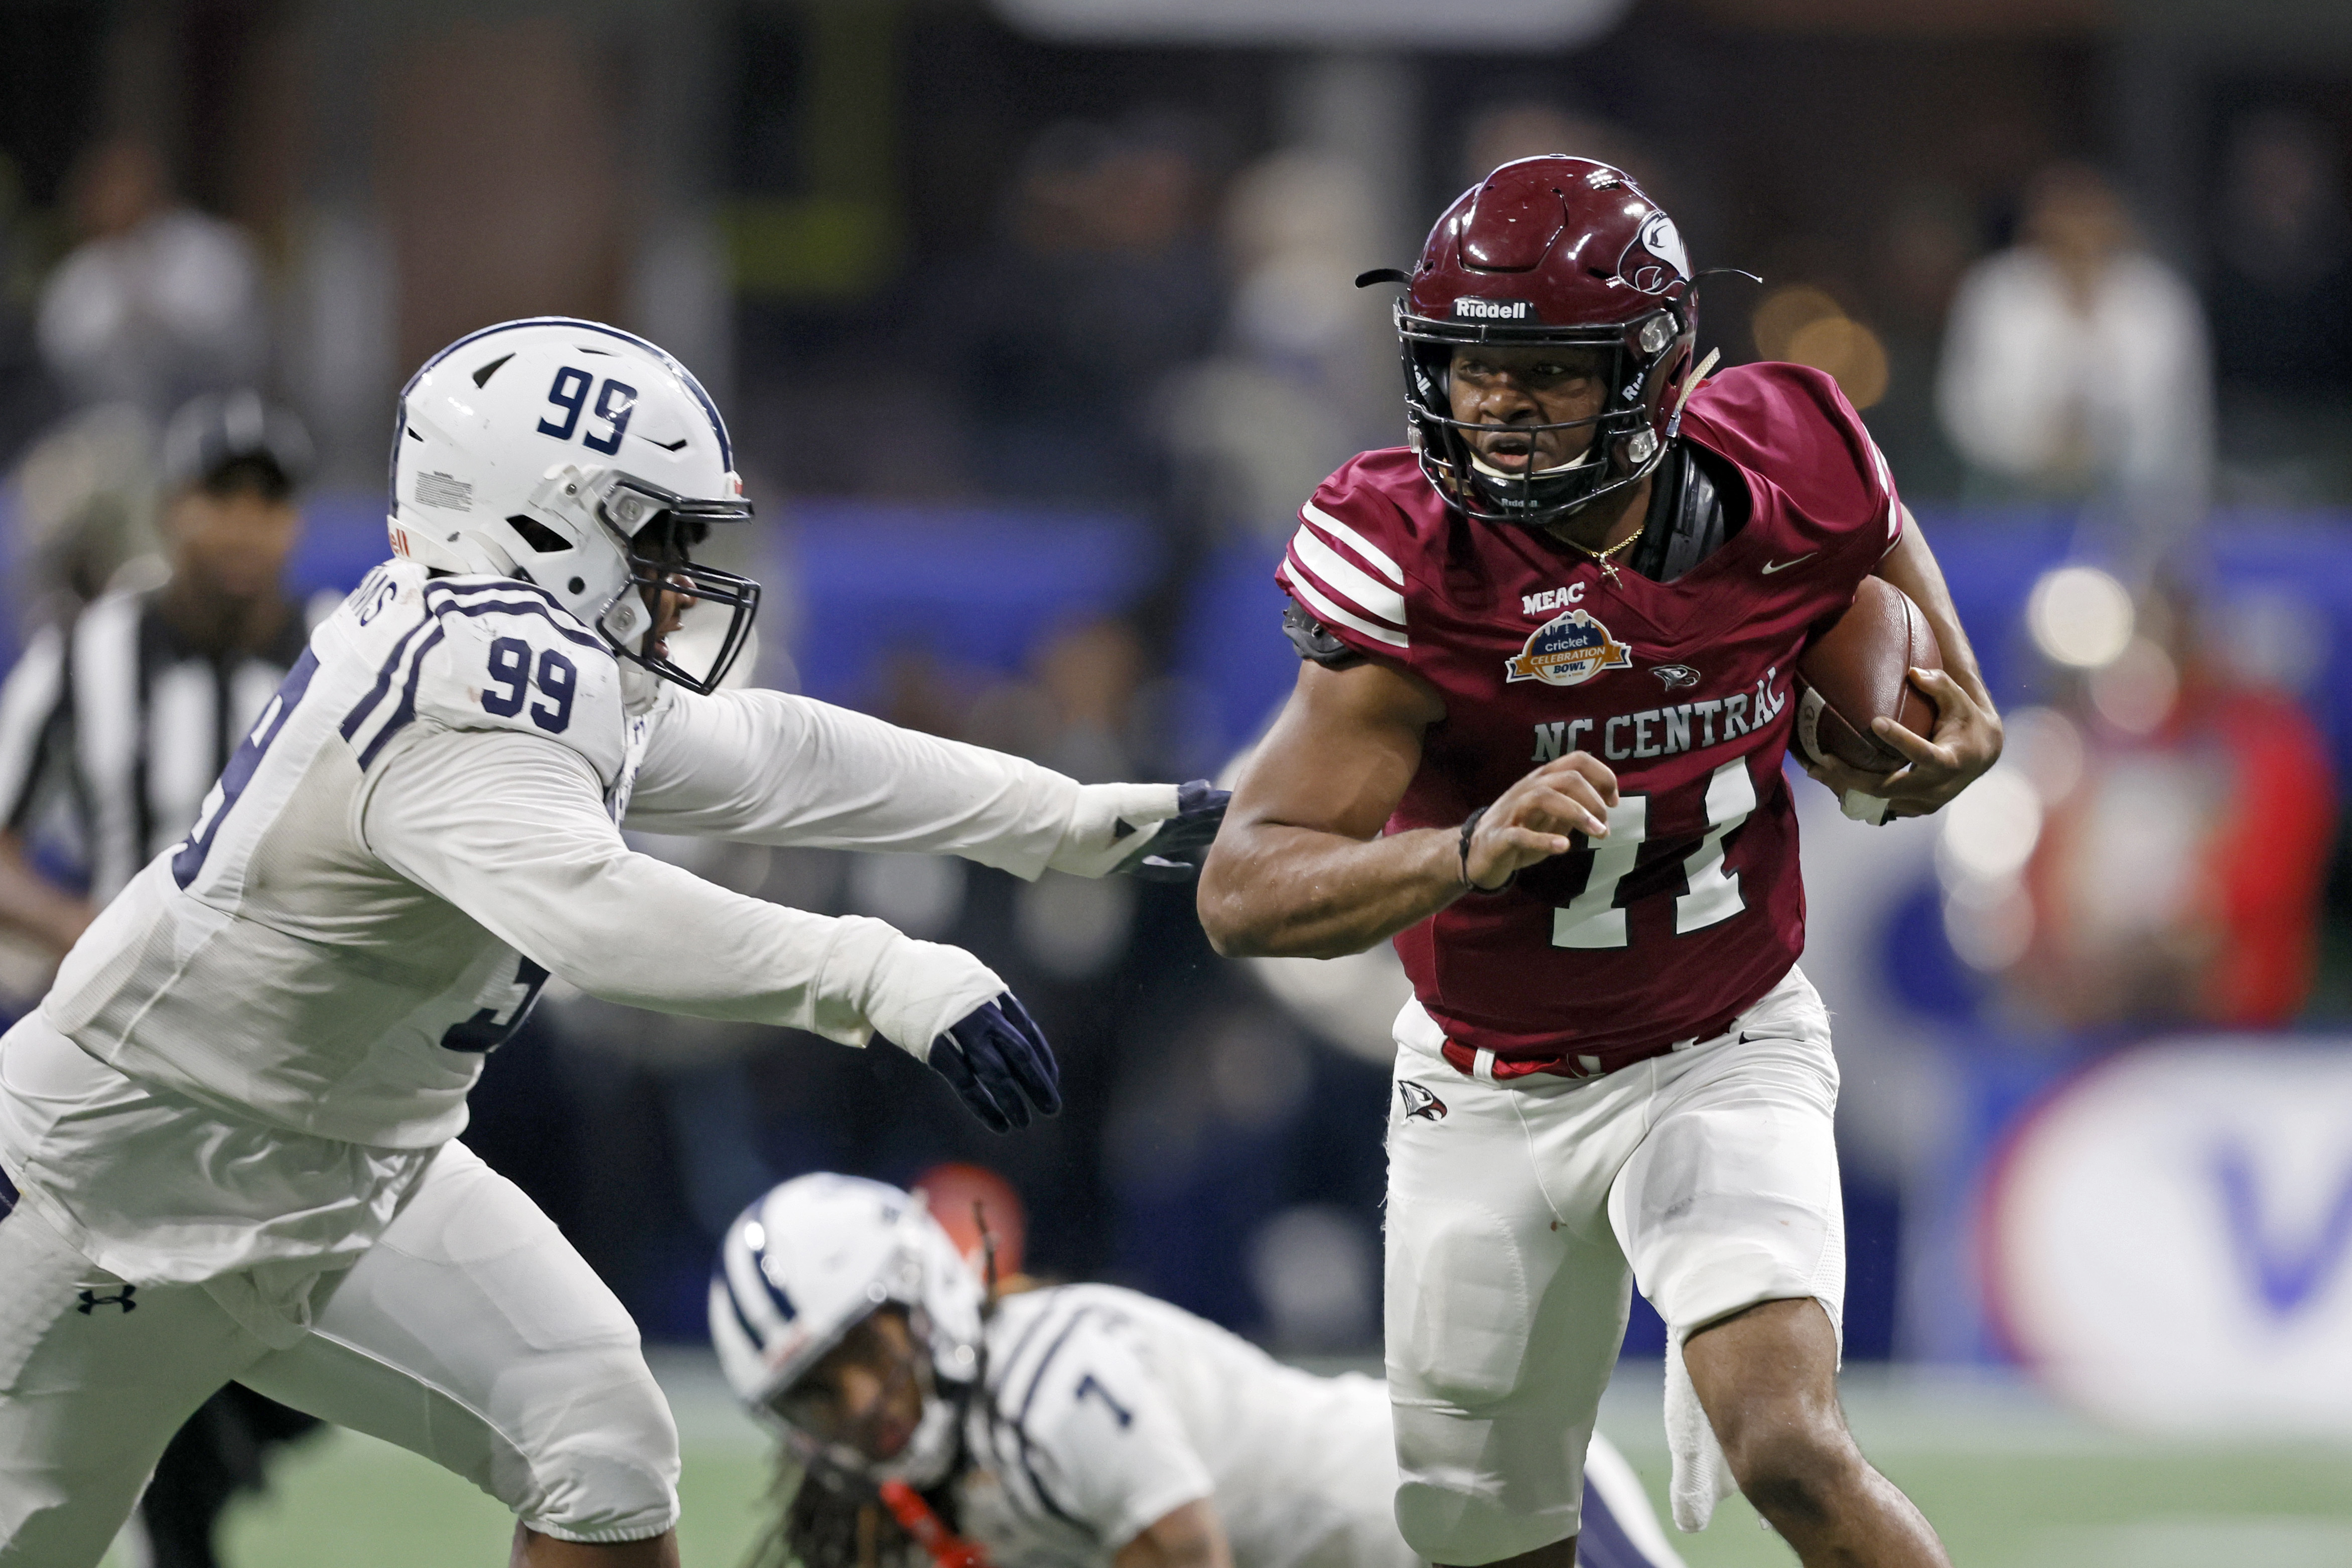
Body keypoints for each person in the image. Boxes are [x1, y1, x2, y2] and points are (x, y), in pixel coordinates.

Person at [0, 316, 1227, 1568]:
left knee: (600, 1450)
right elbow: (595, 916)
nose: (682, 573)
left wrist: (1070, 824)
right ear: (540, 514)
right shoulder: (460, 674)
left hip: (359, 1172)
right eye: (657, 530)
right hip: (107, 1188)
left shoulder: (517, 651)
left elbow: (772, 756)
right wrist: (883, 970)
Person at [1196, 159, 2002, 1567]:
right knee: (1482, 1536)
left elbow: (1873, 528)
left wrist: (1960, 689)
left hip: (1723, 1040)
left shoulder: (1783, 462)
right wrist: (1458, 850)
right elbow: (1243, 885)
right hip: (1483, 1082)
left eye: (1547, 372)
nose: (1495, 407)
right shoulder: (1416, 562)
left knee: (1790, 1445)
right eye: (1467, 368)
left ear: (1658, 371)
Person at [710, 1173, 1689, 1568]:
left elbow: (1188, 1556)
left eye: (865, 1356)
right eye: (818, 1395)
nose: (864, 1406)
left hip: (1484, 1504)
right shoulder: (920, 1485)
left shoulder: (1058, 1389)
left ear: (922, 1294)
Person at [0, 388, 324, 1565]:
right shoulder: (87, 655)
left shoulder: (345, 655)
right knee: (131, 1354)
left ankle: (202, 1463)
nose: (243, 528)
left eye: (268, 502)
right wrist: (92, 924)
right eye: (219, 499)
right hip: (121, 1074)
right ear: (173, 510)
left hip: (301, 1086)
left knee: (275, 1357)